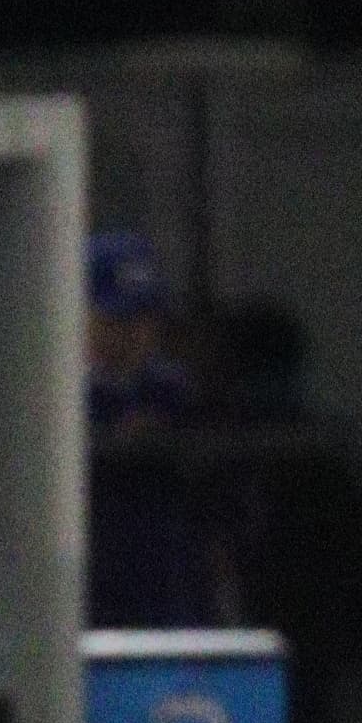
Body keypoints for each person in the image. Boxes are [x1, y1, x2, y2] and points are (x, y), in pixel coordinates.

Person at [81, 232, 232, 628]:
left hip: (170, 598)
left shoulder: (176, 394)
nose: (133, 333)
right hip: (91, 596)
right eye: (117, 319)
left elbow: (216, 502)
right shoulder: (55, 405)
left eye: (145, 318)